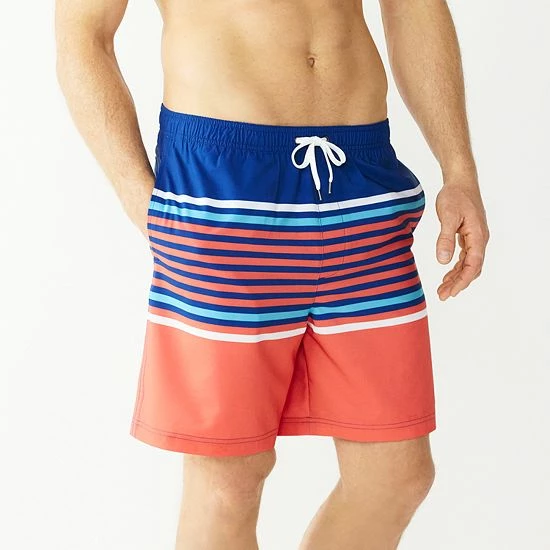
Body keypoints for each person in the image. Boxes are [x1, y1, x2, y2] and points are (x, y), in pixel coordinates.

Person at [55, 0, 490, 548]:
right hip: (222, 183)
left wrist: (460, 169)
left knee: (397, 473)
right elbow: (83, 34)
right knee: (229, 483)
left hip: (362, 175)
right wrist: (139, 197)